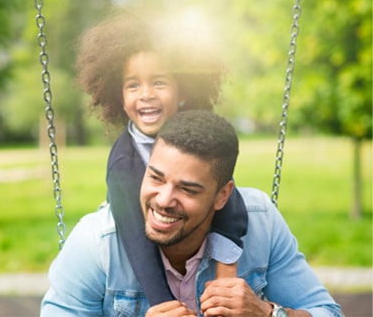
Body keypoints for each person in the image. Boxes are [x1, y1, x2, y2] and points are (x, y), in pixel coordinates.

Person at [41, 110, 342, 316]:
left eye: (187, 189)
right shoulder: (97, 244)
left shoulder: (261, 223)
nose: (164, 200)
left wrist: (267, 312)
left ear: (222, 195)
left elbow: (327, 312)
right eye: (155, 178)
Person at [75, 11, 248, 305]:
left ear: (183, 90)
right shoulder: (123, 164)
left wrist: (226, 273)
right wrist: (163, 304)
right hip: (143, 246)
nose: (145, 94)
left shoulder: (199, 139)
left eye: (158, 83)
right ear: (119, 95)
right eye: (133, 85)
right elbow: (136, 241)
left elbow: (230, 203)